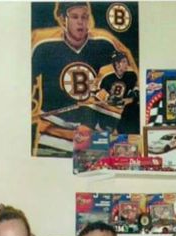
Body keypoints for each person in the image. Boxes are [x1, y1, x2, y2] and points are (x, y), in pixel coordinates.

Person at [31, 2, 138, 156]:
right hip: (54, 130)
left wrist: (115, 101)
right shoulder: (44, 47)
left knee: (95, 171)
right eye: (75, 17)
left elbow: (125, 80)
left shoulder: (105, 44)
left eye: (84, 17)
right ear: (63, 19)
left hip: (93, 130)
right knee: (51, 169)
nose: (80, 22)